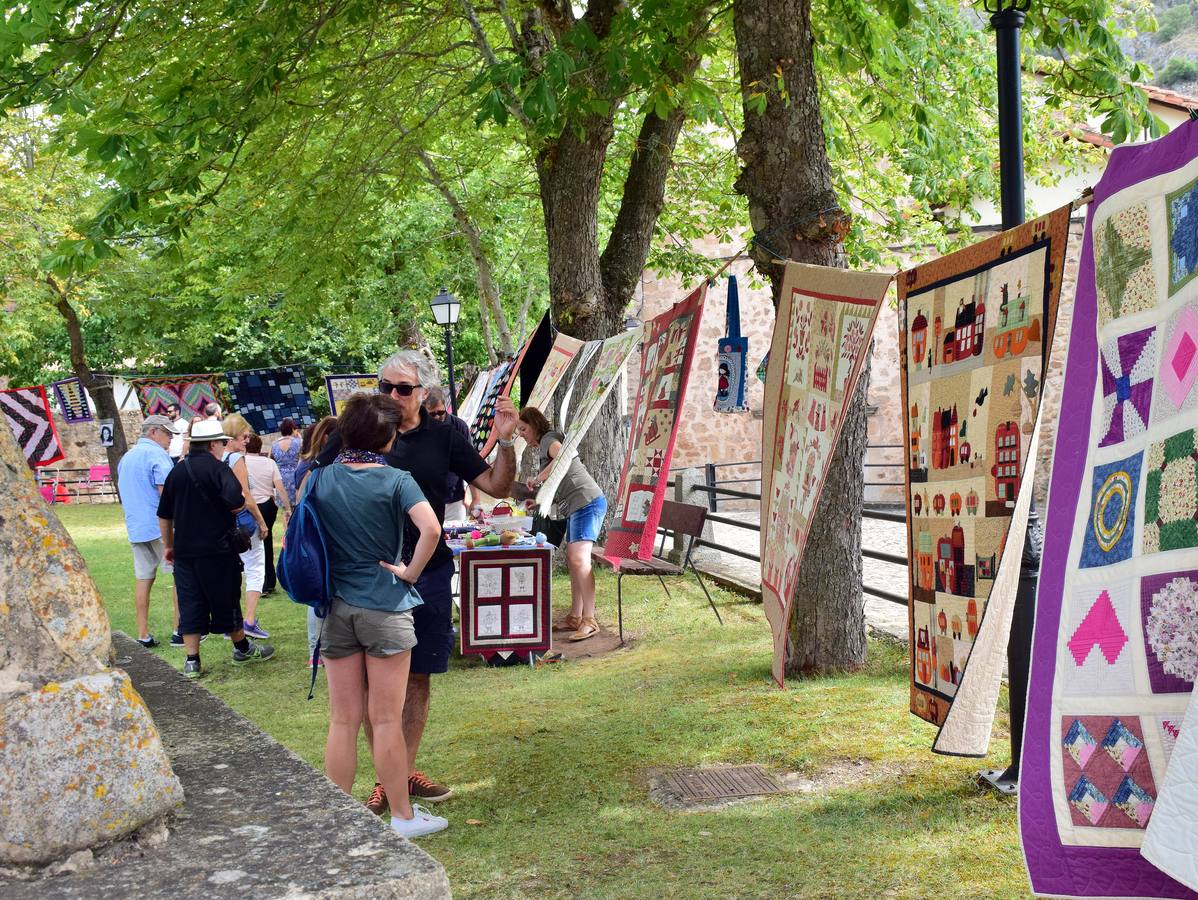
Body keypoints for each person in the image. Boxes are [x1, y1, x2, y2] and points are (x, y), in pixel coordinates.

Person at [317, 349, 517, 812]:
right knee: (366, 691)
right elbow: (317, 485)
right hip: (364, 582)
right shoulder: (357, 432)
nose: (390, 395)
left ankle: (398, 777)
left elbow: (496, 486)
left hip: (425, 575)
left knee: (419, 679)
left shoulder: (445, 434)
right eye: (383, 386)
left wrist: (506, 442)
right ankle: (390, 781)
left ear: (423, 393)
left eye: (401, 389)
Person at [310, 393, 446, 838]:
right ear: (387, 437)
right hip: (386, 605)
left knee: (342, 719)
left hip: (336, 609)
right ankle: (403, 818)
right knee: (386, 719)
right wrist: (409, 572)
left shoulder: (319, 478)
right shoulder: (396, 480)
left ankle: (336, 820)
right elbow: (431, 529)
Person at [157, 419, 275, 678]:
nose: (223, 447)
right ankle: (242, 648)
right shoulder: (219, 470)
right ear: (212, 444)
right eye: (222, 442)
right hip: (218, 548)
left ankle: (192, 660)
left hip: (185, 550)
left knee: (190, 600)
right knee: (225, 598)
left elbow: (164, 515)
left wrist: (169, 545)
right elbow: (236, 504)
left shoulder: (176, 471)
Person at [516, 406, 607, 641]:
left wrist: (537, 478)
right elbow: (558, 480)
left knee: (579, 559)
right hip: (578, 505)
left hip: (587, 501)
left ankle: (589, 619)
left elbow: (565, 458)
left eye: (523, 429)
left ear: (535, 425)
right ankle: (576, 616)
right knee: (574, 559)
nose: (522, 435)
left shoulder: (548, 439)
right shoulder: (545, 443)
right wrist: (537, 501)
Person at [116, 414, 180, 648]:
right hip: (159, 526)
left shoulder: (127, 457)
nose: (171, 438)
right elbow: (167, 494)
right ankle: (179, 630)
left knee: (143, 578)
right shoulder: (157, 455)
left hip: (136, 525)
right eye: (167, 433)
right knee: (179, 575)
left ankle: (143, 633)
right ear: (153, 432)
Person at [221, 414, 272, 640]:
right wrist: (261, 522)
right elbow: (247, 496)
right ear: (232, 438)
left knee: (231, 573)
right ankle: (249, 620)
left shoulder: (216, 458)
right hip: (243, 523)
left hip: (224, 523)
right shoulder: (235, 459)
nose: (246, 441)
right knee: (255, 569)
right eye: (243, 437)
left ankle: (232, 624)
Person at [245, 433, 292, 595]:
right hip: (267, 505)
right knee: (267, 541)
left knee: (253, 544)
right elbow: (279, 487)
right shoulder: (269, 463)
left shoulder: (241, 462)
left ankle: (260, 582)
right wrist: (287, 507)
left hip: (250, 505)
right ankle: (269, 581)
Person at [423, 386, 471, 521]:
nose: (438, 417)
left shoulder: (458, 426)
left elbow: (470, 464)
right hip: (425, 501)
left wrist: (474, 497)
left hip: (454, 498)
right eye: (432, 414)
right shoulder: (418, 427)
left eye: (441, 412)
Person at [270, 417, 301, 508]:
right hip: (296, 477)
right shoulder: (299, 442)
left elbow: (271, 460)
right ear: (292, 429)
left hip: (281, 478)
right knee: (298, 507)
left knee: (286, 510)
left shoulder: (274, 444)